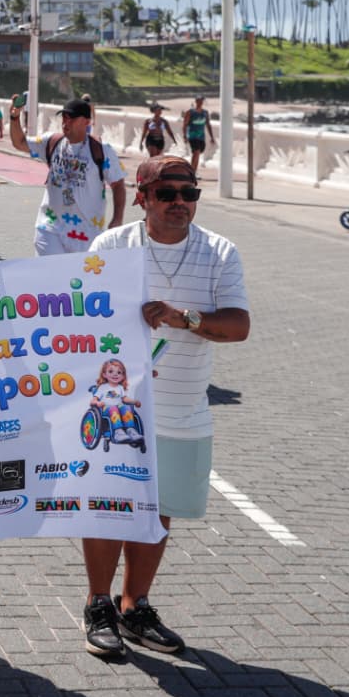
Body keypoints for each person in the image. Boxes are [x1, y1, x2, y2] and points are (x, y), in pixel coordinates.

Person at [83, 155, 250, 658]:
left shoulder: (219, 251)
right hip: (116, 407)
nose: (180, 202)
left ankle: (134, 606)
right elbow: (80, 321)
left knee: (160, 514)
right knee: (109, 507)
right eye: (167, 192)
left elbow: (238, 326)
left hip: (182, 407)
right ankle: (98, 605)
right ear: (142, 197)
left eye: (189, 192)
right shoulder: (110, 246)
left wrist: (186, 318)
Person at [9, 97, 126, 256]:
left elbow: (118, 184)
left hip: (87, 232)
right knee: (50, 276)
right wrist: (14, 117)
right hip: (50, 227)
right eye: (64, 117)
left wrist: (117, 219)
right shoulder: (51, 142)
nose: (65, 122)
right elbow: (20, 143)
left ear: (86, 122)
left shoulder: (102, 150)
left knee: (78, 280)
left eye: (71, 118)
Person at [89, 358, 141, 443]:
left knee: (126, 408)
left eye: (119, 372)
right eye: (110, 371)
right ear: (104, 374)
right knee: (113, 408)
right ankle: (118, 432)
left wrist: (134, 402)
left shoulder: (120, 388)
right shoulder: (103, 387)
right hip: (106, 408)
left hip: (119, 407)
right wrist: (98, 403)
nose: (115, 374)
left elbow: (124, 399)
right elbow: (92, 401)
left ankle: (130, 430)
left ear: (123, 376)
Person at [182, 95, 214, 173]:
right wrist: (185, 136)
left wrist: (211, 137)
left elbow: (208, 124)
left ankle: (192, 170)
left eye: (201, 101)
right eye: (198, 101)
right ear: (196, 101)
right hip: (192, 136)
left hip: (201, 137)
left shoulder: (205, 112)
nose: (200, 102)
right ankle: (193, 172)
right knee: (196, 152)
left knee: (199, 152)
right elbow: (185, 125)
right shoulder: (190, 112)